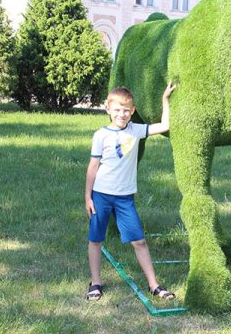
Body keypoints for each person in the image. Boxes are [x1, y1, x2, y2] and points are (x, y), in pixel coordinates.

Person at [85, 83, 176, 301]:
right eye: (116, 109)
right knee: (96, 239)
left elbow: (164, 126)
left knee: (139, 241)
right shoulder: (101, 135)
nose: (121, 114)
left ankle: (154, 285)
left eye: (126, 110)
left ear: (132, 111)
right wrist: (88, 196)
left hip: (125, 198)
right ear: (107, 109)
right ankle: (95, 283)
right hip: (101, 195)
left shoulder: (136, 130)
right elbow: (93, 167)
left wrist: (165, 99)